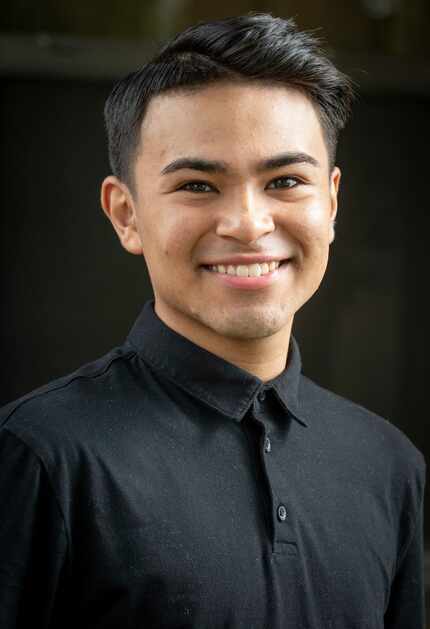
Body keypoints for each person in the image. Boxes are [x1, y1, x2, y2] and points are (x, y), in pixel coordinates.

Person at [0, 13, 425, 629]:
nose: (249, 225)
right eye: (199, 186)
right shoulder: (37, 457)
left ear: (331, 203)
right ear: (127, 214)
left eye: (285, 181)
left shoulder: (389, 464)